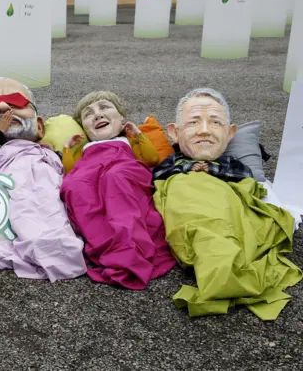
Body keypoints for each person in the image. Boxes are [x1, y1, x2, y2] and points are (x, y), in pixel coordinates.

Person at [153, 88, 302, 320]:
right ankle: (219, 265)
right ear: (175, 132)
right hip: (188, 195)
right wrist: (188, 170)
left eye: (215, 123)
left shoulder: (232, 163)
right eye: (193, 122)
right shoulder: (173, 161)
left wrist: (213, 170)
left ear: (231, 133)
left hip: (226, 200)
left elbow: (250, 183)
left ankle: (226, 267)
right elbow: (158, 177)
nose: (204, 131)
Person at [0, 77, 87, 282]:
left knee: (50, 201)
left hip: (41, 169)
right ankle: (39, 241)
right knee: (22, 204)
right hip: (5, 174)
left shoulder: (43, 151)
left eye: (16, 103)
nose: (3, 107)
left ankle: (57, 241)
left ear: (39, 127)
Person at [59, 91, 175, 290]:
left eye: (105, 108)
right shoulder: (86, 148)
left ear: (122, 119)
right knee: (74, 185)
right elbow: (70, 171)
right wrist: (68, 149)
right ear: (84, 129)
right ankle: (106, 246)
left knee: (116, 177)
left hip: (124, 170)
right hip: (90, 173)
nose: (97, 115)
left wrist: (138, 135)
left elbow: (151, 159)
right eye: (88, 114)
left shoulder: (127, 141)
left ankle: (130, 248)